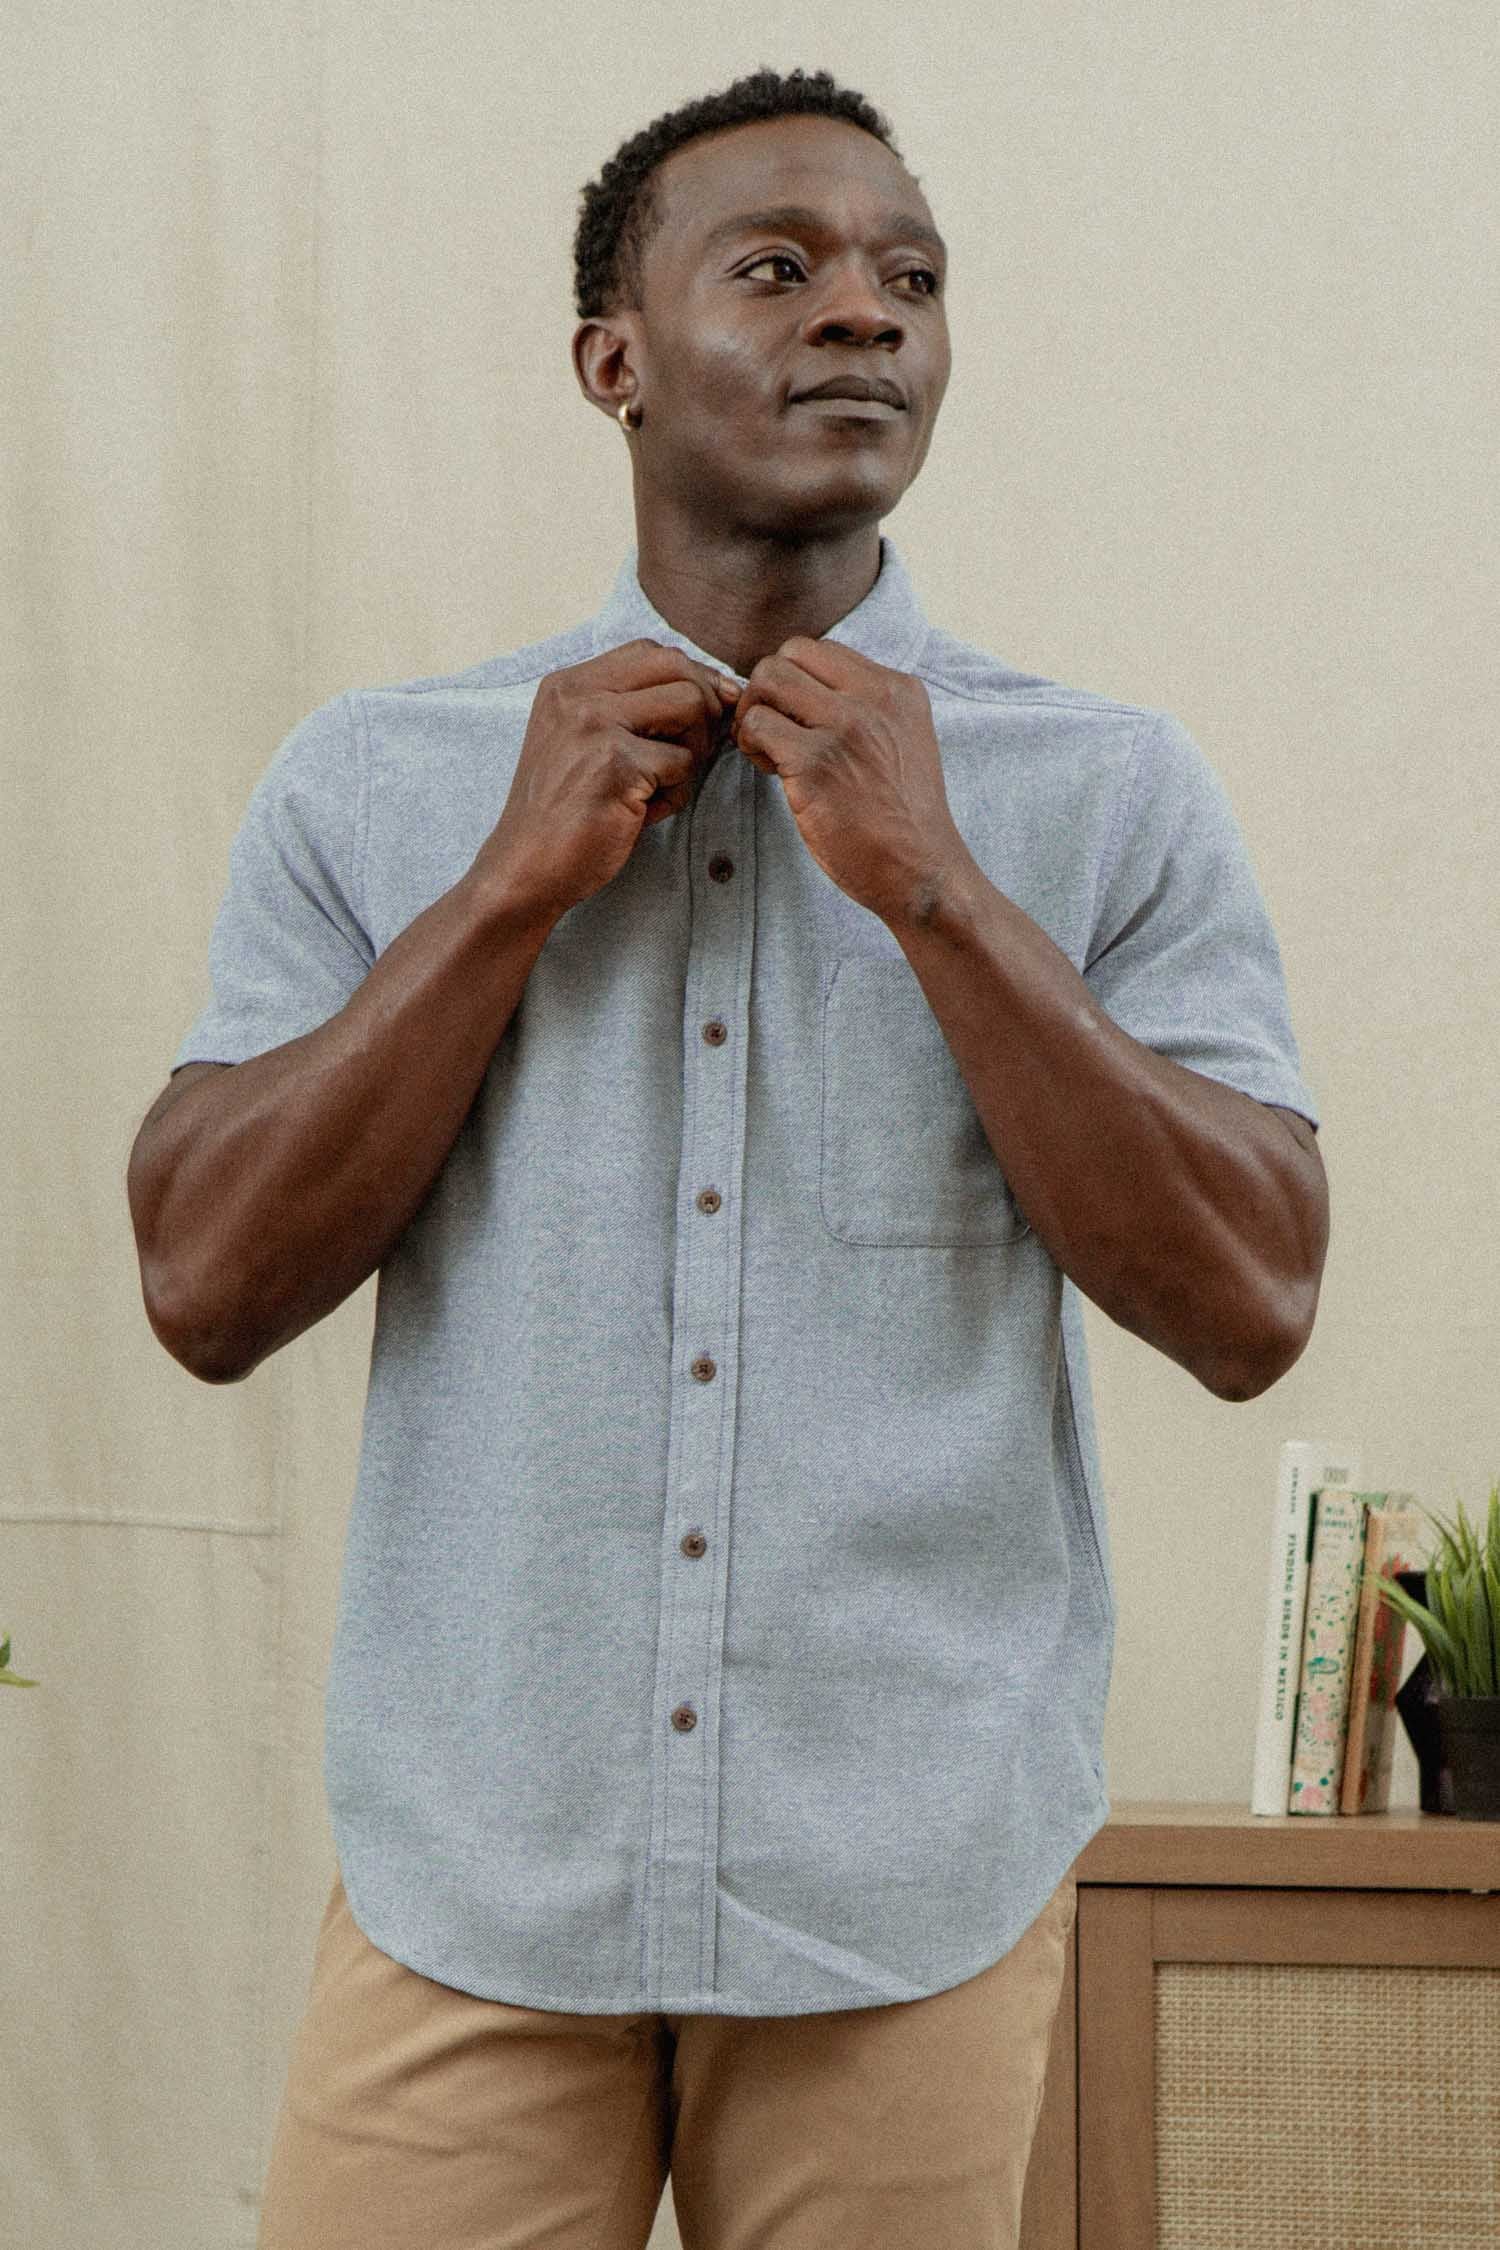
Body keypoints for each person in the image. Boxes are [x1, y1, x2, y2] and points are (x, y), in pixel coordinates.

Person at [126, 62, 1329, 2250]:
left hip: (905, 1889)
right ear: (613, 358)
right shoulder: (376, 787)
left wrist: (944, 891)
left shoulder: (1109, 794)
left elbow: (1254, 1304)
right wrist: (502, 891)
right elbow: (202, 1285)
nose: (862, 316)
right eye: (778, 270)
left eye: (911, 282)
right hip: (478, 1868)